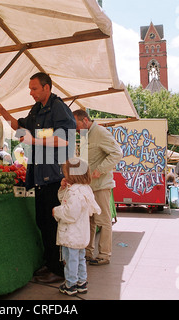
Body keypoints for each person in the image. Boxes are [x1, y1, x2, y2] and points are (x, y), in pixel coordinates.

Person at [0, 72, 76, 283]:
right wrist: (3, 112)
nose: (31, 93)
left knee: (52, 223)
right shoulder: (36, 110)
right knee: (43, 221)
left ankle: (57, 270)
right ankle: (50, 263)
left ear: (47, 88)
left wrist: (35, 140)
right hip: (39, 175)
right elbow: (20, 128)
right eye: (30, 89)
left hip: (55, 176)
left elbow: (66, 138)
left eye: (34, 88)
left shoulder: (58, 107)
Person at [73, 110, 122, 265]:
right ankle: (88, 251)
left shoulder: (101, 132)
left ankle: (104, 254)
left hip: (101, 185)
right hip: (89, 186)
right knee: (90, 220)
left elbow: (117, 153)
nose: (76, 129)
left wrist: (99, 170)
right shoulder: (85, 135)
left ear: (85, 120)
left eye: (76, 125)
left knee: (103, 220)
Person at [52, 158, 101, 296]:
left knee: (70, 260)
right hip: (81, 233)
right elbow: (64, 199)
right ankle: (82, 282)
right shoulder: (85, 189)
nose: (64, 175)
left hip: (71, 233)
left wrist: (56, 211)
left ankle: (70, 284)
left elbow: (70, 212)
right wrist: (63, 188)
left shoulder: (75, 193)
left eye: (66, 173)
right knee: (80, 258)